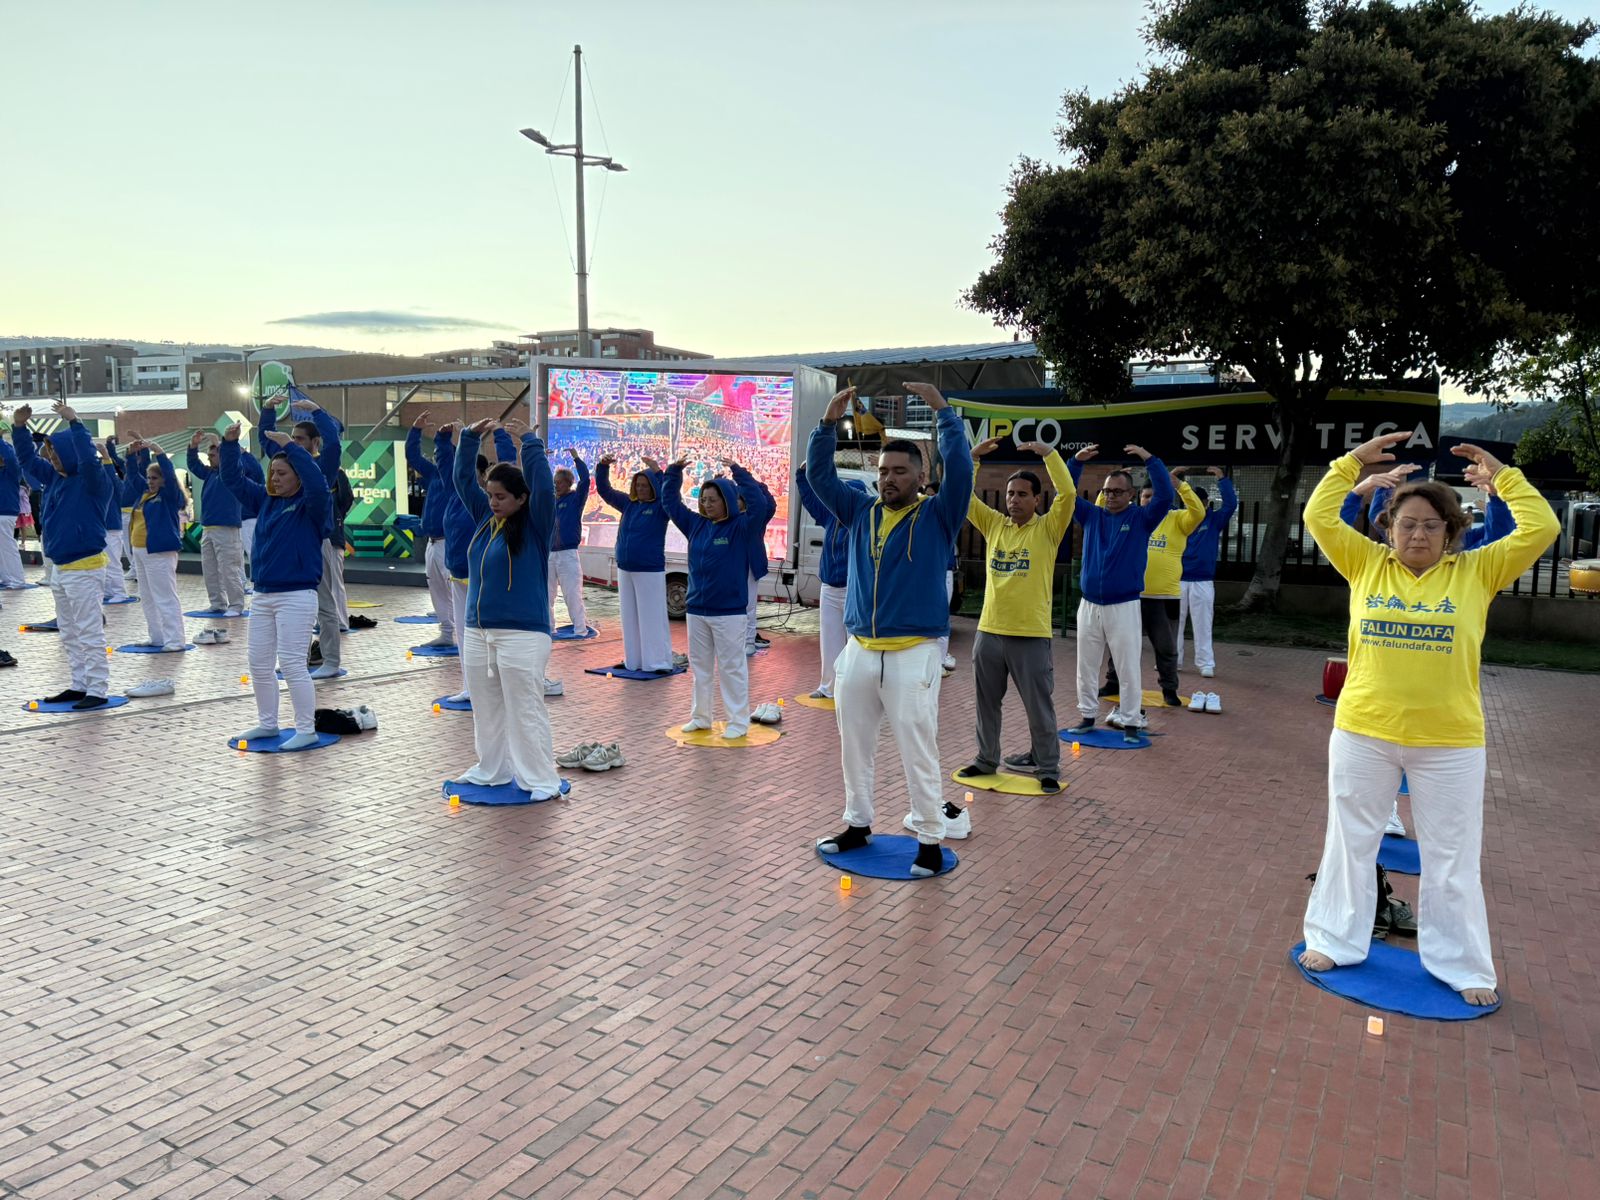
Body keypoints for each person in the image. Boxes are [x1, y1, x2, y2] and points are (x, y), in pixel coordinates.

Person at [1297, 433, 1559, 1007]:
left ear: (1451, 532)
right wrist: (1353, 462)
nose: (1418, 535)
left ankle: (1461, 963)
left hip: (1450, 741)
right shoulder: (1366, 564)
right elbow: (1319, 512)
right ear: (1388, 528)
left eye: (1431, 526)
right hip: (1365, 731)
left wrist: (1503, 475)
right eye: (1407, 524)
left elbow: (1542, 527)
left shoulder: (1477, 571)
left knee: (1453, 855)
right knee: (1350, 841)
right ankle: (1334, 938)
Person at [806, 383, 972, 878]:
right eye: (883, 471)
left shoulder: (939, 514)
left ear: (921, 476)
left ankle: (929, 838)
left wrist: (944, 414)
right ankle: (858, 823)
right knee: (852, 740)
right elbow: (819, 476)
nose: (889, 479)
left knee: (917, 745)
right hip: (860, 649)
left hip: (913, 651)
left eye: (900, 471)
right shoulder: (859, 511)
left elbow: (961, 469)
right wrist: (826, 424)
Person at [451, 418, 563, 796]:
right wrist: (469, 439)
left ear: (521, 498)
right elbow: (462, 482)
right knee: (486, 709)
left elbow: (544, 488)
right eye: (491, 495)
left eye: (501, 497)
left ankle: (540, 779)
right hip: (478, 631)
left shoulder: (536, 524)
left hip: (522, 633)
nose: (493, 502)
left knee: (524, 709)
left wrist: (529, 443)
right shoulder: (486, 521)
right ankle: (492, 769)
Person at [960, 438, 1074, 794]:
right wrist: (972, 459)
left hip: (1030, 635)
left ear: (1037, 499)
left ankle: (1047, 767)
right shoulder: (995, 525)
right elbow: (962, 497)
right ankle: (985, 759)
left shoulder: (1049, 529)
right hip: (989, 632)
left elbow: (1068, 495)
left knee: (1039, 707)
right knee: (986, 704)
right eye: (1010, 494)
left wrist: (1049, 456)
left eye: (1023, 494)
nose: (1014, 500)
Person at [220, 421, 330, 750]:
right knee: (258, 663)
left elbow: (317, 483)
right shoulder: (266, 500)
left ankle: (306, 729)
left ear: (297, 474)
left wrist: (293, 448)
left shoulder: (313, 505)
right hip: (264, 594)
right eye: (273, 473)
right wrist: (228, 446)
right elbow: (232, 479)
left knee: (293, 663)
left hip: (296, 595)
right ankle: (268, 724)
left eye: (282, 473)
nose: (275, 479)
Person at [1066, 445, 1174, 742]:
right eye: (1108, 491)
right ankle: (1087, 716)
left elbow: (1165, 495)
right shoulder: (1091, 516)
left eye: (1118, 491)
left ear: (1130, 494)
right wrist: (1075, 463)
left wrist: (1150, 459)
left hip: (1123, 605)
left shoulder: (1142, 519)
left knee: (1127, 666)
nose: (1112, 495)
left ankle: (1129, 722)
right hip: (1089, 605)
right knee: (1085, 664)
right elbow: (1065, 493)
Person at [662, 457, 772, 738]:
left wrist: (739, 471)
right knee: (700, 668)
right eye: (704, 499)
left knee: (731, 667)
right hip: (697, 609)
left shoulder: (742, 527)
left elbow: (758, 503)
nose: (706, 505)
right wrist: (674, 472)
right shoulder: (696, 525)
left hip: (729, 612)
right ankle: (701, 717)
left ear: (728, 500)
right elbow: (671, 504)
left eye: (713, 500)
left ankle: (738, 721)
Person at [12, 402, 113, 708]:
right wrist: (18, 428)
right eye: (51, 453)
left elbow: (88, 458)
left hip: (85, 567)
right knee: (69, 631)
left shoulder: (93, 481)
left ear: (70, 452)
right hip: (61, 567)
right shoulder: (57, 478)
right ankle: (79, 684)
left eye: (56, 453)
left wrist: (75, 423)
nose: (52, 458)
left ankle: (97, 689)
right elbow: (28, 460)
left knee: (89, 630)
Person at [1100, 468, 1205, 708]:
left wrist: (1180, 486)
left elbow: (1198, 512)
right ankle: (1112, 682)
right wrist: (1112, 485)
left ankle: (1169, 689)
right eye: (1146, 496)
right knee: (1119, 642)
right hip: (1131, 595)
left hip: (1164, 596)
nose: (1149, 500)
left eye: (1155, 496)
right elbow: (1102, 510)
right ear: (1138, 497)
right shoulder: (1132, 517)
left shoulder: (1178, 519)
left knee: (1166, 647)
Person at [262, 392, 345, 678]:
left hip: (317, 540)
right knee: (291, 606)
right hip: (290, 542)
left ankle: (331, 660)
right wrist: (268, 410)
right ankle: (297, 657)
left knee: (324, 604)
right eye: (292, 438)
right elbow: (267, 440)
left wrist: (318, 412)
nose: (293, 443)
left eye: (299, 440)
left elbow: (335, 444)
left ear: (313, 443)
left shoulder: (323, 466)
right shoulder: (285, 466)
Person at [595, 453, 673, 673]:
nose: (640, 489)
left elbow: (669, 490)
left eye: (645, 485)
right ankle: (634, 661)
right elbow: (605, 491)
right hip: (625, 567)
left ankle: (658, 662)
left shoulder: (661, 507)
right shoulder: (628, 504)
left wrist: (657, 470)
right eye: (637, 485)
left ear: (653, 487)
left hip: (649, 569)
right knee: (629, 618)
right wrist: (602, 467)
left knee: (652, 617)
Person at [794, 464, 867, 699]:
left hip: (852, 590)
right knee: (829, 639)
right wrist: (801, 476)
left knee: (855, 642)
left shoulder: (862, 522)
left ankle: (854, 687)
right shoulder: (830, 516)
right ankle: (828, 686)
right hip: (829, 588)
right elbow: (810, 500)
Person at [120, 440, 187, 651]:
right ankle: (157, 637)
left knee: (165, 596)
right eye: (149, 477)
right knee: (147, 597)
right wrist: (130, 455)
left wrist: (160, 453)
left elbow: (167, 473)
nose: (150, 481)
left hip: (159, 551)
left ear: (164, 480)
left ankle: (175, 640)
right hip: (140, 551)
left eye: (155, 478)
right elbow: (132, 476)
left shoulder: (168, 496)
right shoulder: (144, 495)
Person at [1176, 467, 1236, 677]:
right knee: (1175, 624)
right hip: (1178, 579)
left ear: (1205, 503)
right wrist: (1172, 475)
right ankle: (1174, 660)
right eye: (1189, 501)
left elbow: (1230, 505)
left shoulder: (1213, 520)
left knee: (1202, 623)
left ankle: (1206, 663)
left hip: (1202, 580)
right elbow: (1161, 501)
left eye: (1199, 502)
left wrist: (1222, 479)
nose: (1194, 505)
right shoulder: (1180, 519)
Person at [405, 410, 456, 649]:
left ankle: (461, 633)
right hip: (432, 542)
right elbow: (412, 456)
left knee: (454, 589)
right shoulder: (434, 474)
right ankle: (447, 632)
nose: (438, 459)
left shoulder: (456, 480)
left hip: (448, 542)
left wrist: (442, 439)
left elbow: (444, 455)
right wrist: (415, 429)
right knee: (436, 589)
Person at [187, 429, 248, 615]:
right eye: (208, 455)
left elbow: (232, 455)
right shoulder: (210, 474)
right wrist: (193, 446)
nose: (209, 458)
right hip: (208, 528)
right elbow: (193, 465)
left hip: (227, 528)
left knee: (229, 569)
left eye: (212, 455)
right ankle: (217, 603)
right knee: (210, 569)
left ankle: (236, 605)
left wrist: (221, 443)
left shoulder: (232, 474)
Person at [549, 448, 591, 634]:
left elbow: (586, 480)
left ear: (568, 484)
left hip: (568, 554)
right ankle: (549, 629)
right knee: (546, 595)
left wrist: (576, 458)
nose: (556, 486)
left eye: (559, 483)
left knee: (572, 594)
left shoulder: (575, 499)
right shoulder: (549, 502)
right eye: (554, 482)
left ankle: (580, 630)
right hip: (549, 554)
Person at [743, 474, 776, 655]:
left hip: (750, 565)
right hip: (730, 567)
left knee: (748, 605)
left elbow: (769, 505)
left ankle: (748, 641)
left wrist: (756, 484)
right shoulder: (729, 518)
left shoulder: (756, 518)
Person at [97, 437, 130, 603]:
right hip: (103, 527)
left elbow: (110, 473)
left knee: (113, 562)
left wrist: (105, 455)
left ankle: (119, 592)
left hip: (112, 528)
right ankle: (110, 591)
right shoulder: (102, 486)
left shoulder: (116, 484)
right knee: (104, 562)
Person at [0, 419, 27, 588]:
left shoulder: (11, 470)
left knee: (8, 546)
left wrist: (0, 439)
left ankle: (17, 579)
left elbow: (10, 456)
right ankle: (6, 577)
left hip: (5, 511)